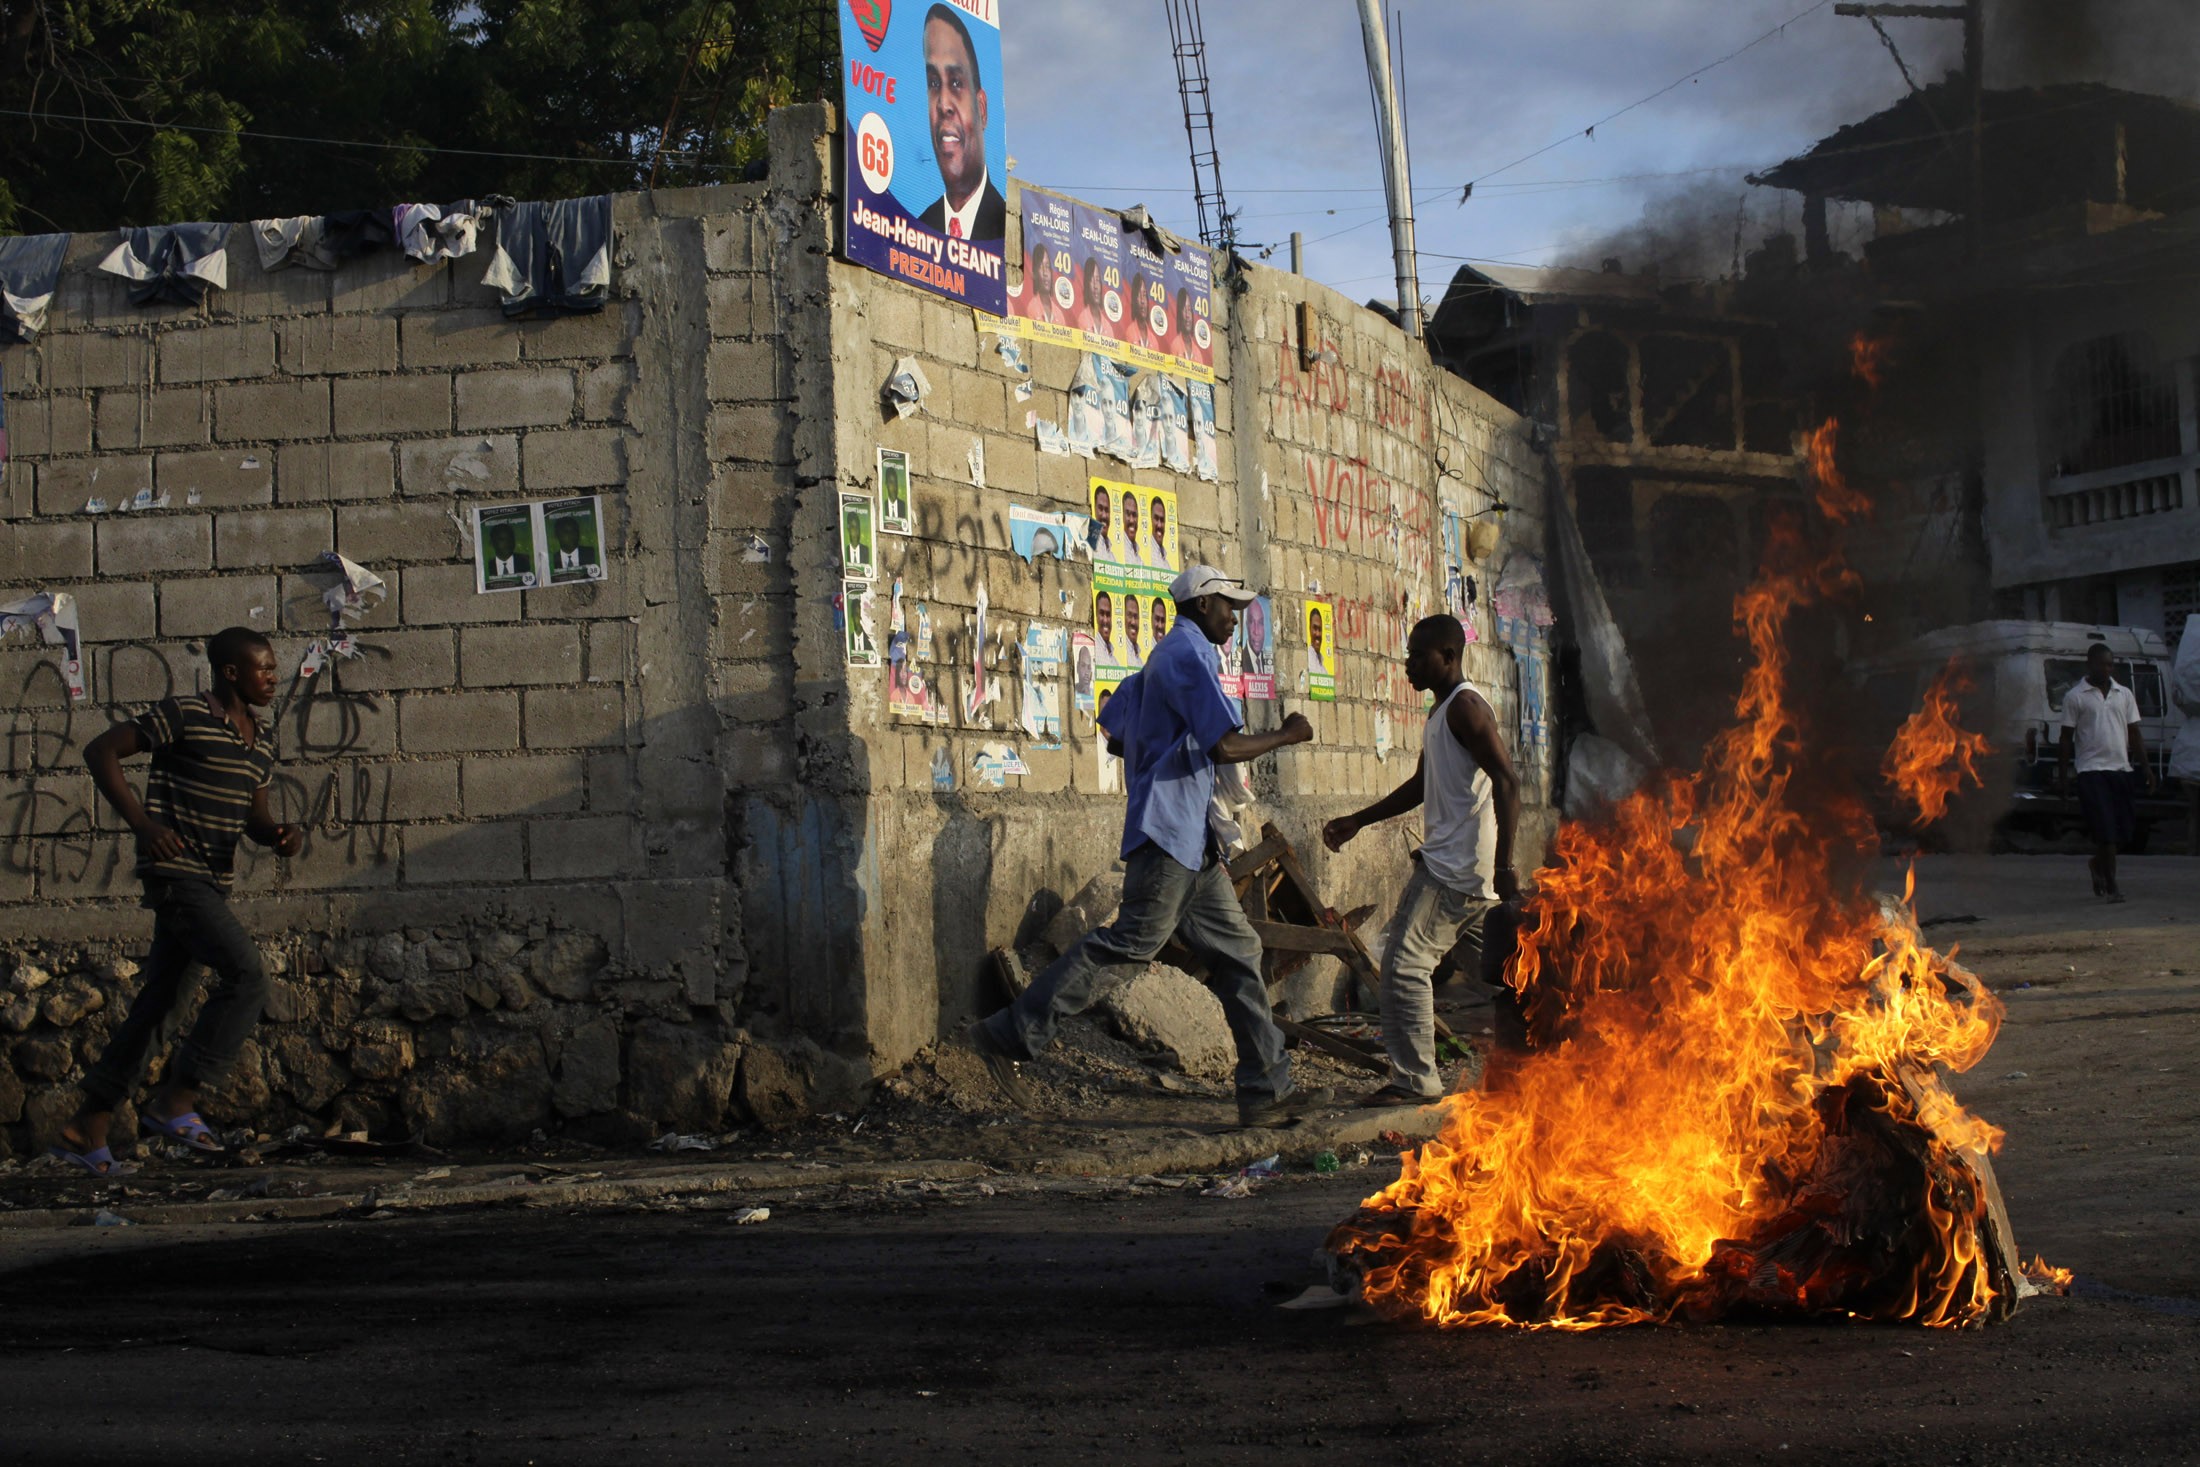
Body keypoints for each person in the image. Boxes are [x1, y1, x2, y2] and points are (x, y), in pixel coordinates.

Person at [968, 566, 1332, 1127]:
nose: (1234, 618)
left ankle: (1267, 1089)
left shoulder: (1167, 657)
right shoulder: (1185, 654)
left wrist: (1159, 753)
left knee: (1239, 956)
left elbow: (1116, 733)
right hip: (1168, 839)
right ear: (1204, 604)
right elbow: (1225, 746)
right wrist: (1287, 733)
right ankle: (1008, 1033)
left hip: (1192, 844)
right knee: (1125, 946)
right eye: (1228, 607)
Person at [51, 628, 304, 1175]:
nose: (272, 678)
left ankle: (86, 1127)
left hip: (212, 880)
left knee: (161, 1006)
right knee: (246, 974)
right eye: (262, 668)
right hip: (177, 876)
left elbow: (254, 819)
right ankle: (177, 1100)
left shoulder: (258, 741)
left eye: (273, 669)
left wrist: (279, 834)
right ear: (231, 672)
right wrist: (143, 824)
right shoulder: (185, 714)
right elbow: (101, 751)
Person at [1323, 615, 1522, 1106]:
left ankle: (1416, 1081)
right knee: (1508, 972)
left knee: (1405, 965)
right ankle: (1531, 1065)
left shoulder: (1467, 708)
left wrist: (1506, 865)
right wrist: (1359, 820)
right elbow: (1420, 785)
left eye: (1418, 656)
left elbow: (1508, 781)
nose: (1408, 665)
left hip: (1455, 870)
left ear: (1448, 658)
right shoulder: (1442, 712)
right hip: (1457, 868)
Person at [2058, 641, 2154, 902]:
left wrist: (2146, 767)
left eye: (2111, 664)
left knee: (2124, 831)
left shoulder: (2124, 694)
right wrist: (2064, 774)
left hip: (2121, 769)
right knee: (2106, 832)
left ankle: (2097, 864)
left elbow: (2135, 733)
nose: (2107, 668)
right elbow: (2066, 738)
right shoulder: (2075, 696)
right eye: (2103, 663)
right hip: (2091, 771)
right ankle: (2112, 886)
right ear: (2090, 664)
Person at [917, 5, 1005, 242]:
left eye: (956, 83)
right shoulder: (918, 230)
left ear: (982, 109)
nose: (943, 103)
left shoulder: (1007, 230)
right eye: (934, 83)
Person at [548, 515, 600, 582]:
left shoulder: (589, 553)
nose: (571, 535)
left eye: (574, 531)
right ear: (557, 535)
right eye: (566, 531)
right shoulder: (552, 559)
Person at [484, 520, 529, 587]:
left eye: (510, 538)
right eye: (502, 539)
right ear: (492, 543)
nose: (507, 543)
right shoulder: (487, 566)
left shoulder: (525, 561)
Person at [1308, 605, 1330, 673]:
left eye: (1320, 629)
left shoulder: (1323, 668)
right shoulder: (1307, 659)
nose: (1318, 634)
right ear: (1309, 629)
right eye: (1315, 628)